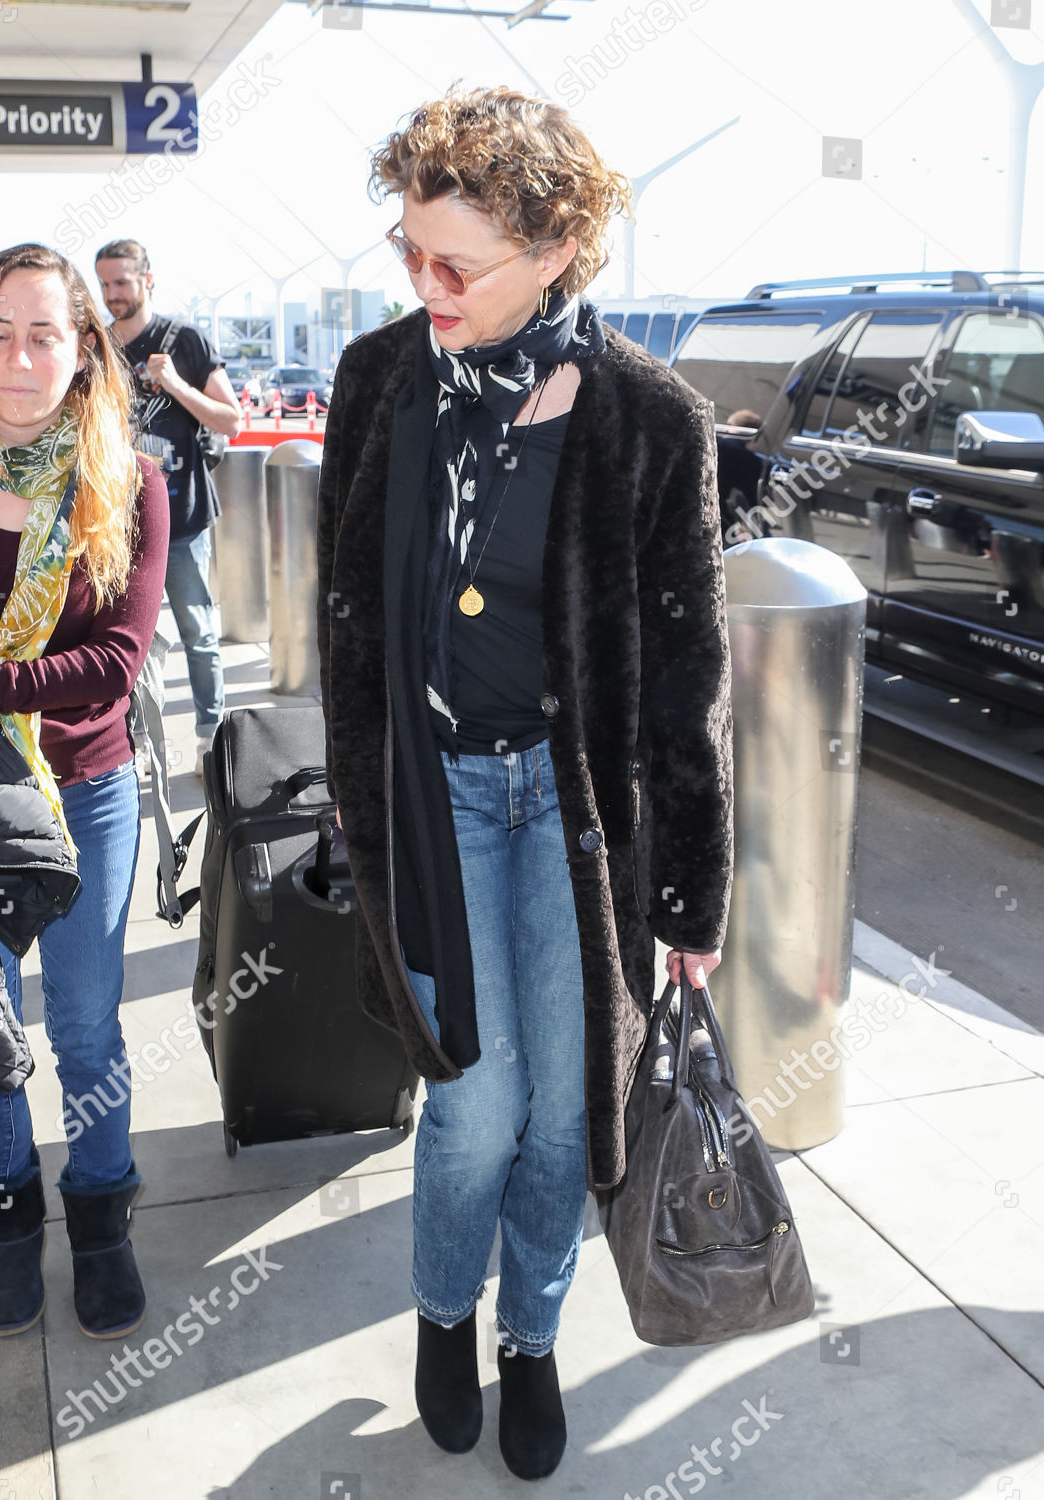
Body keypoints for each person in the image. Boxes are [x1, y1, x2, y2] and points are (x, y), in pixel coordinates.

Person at [316, 86, 734, 1480]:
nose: (422, 288)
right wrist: (356, 802)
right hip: (433, 805)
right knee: (476, 1102)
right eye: (408, 254)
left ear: (555, 247)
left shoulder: (646, 419)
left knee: (567, 1112)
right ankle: (447, 1311)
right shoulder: (380, 380)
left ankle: (531, 1338)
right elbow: (350, 621)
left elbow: (684, 677)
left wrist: (688, 882)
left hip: (575, 822)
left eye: (455, 263)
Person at [0, 243, 170, 1340]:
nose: (18, 356)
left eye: (45, 332)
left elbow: (113, 665)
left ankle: (101, 1223)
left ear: (85, 348)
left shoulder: (128, 481)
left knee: (89, 1027)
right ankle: (8, 1221)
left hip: (81, 793)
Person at [94, 239, 240, 774]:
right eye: (104, 284)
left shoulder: (185, 341)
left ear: (147, 280)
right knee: (132, 641)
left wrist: (173, 382)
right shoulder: (98, 347)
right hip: (116, 526)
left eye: (122, 283)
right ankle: (140, 744)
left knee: (198, 632)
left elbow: (231, 420)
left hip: (183, 520)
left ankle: (211, 741)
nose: (112, 295)